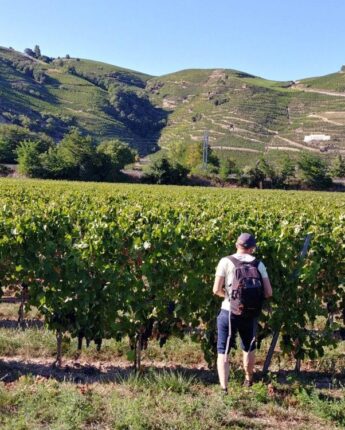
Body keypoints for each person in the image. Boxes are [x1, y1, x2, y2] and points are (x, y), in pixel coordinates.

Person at [213, 233, 272, 392]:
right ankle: (248, 380)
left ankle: (224, 388)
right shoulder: (259, 264)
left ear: (236, 244)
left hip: (229, 311)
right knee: (249, 347)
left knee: (223, 350)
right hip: (250, 313)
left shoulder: (225, 261)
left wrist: (229, 297)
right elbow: (268, 292)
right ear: (252, 248)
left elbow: (216, 289)